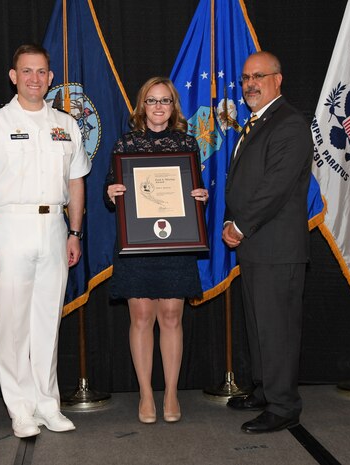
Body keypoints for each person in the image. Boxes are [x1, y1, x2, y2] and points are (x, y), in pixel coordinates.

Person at [0, 44, 91, 438]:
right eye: (26, 71)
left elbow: (76, 181)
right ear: (13, 76)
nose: (35, 78)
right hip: (7, 227)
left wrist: (75, 232)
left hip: (53, 228)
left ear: (51, 78)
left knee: (47, 321)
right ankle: (20, 409)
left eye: (42, 72)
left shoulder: (66, 124)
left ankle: (48, 405)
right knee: (12, 324)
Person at [105, 77, 208, 424]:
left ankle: (172, 393)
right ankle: (147, 395)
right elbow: (111, 185)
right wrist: (113, 191)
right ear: (141, 106)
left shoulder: (187, 143)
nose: (159, 106)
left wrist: (200, 196)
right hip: (138, 245)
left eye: (165, 100)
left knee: (171, 318)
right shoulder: (126, 143)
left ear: (174, 106)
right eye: (152, 101)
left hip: (175, 244)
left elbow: (194, 188)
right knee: (141, 318)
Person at [222, 52, 312, 434]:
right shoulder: (258, 122)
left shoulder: (289, 124)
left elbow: (274, 187)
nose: (249, 84)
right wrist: (234, 220)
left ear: (278, 78)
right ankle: (263, 389)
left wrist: (240, 224)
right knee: (259, 325)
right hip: (258, 245)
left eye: (258, 76)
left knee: (277, 329)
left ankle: (283, 405)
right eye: (245, 78)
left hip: (276, 246)